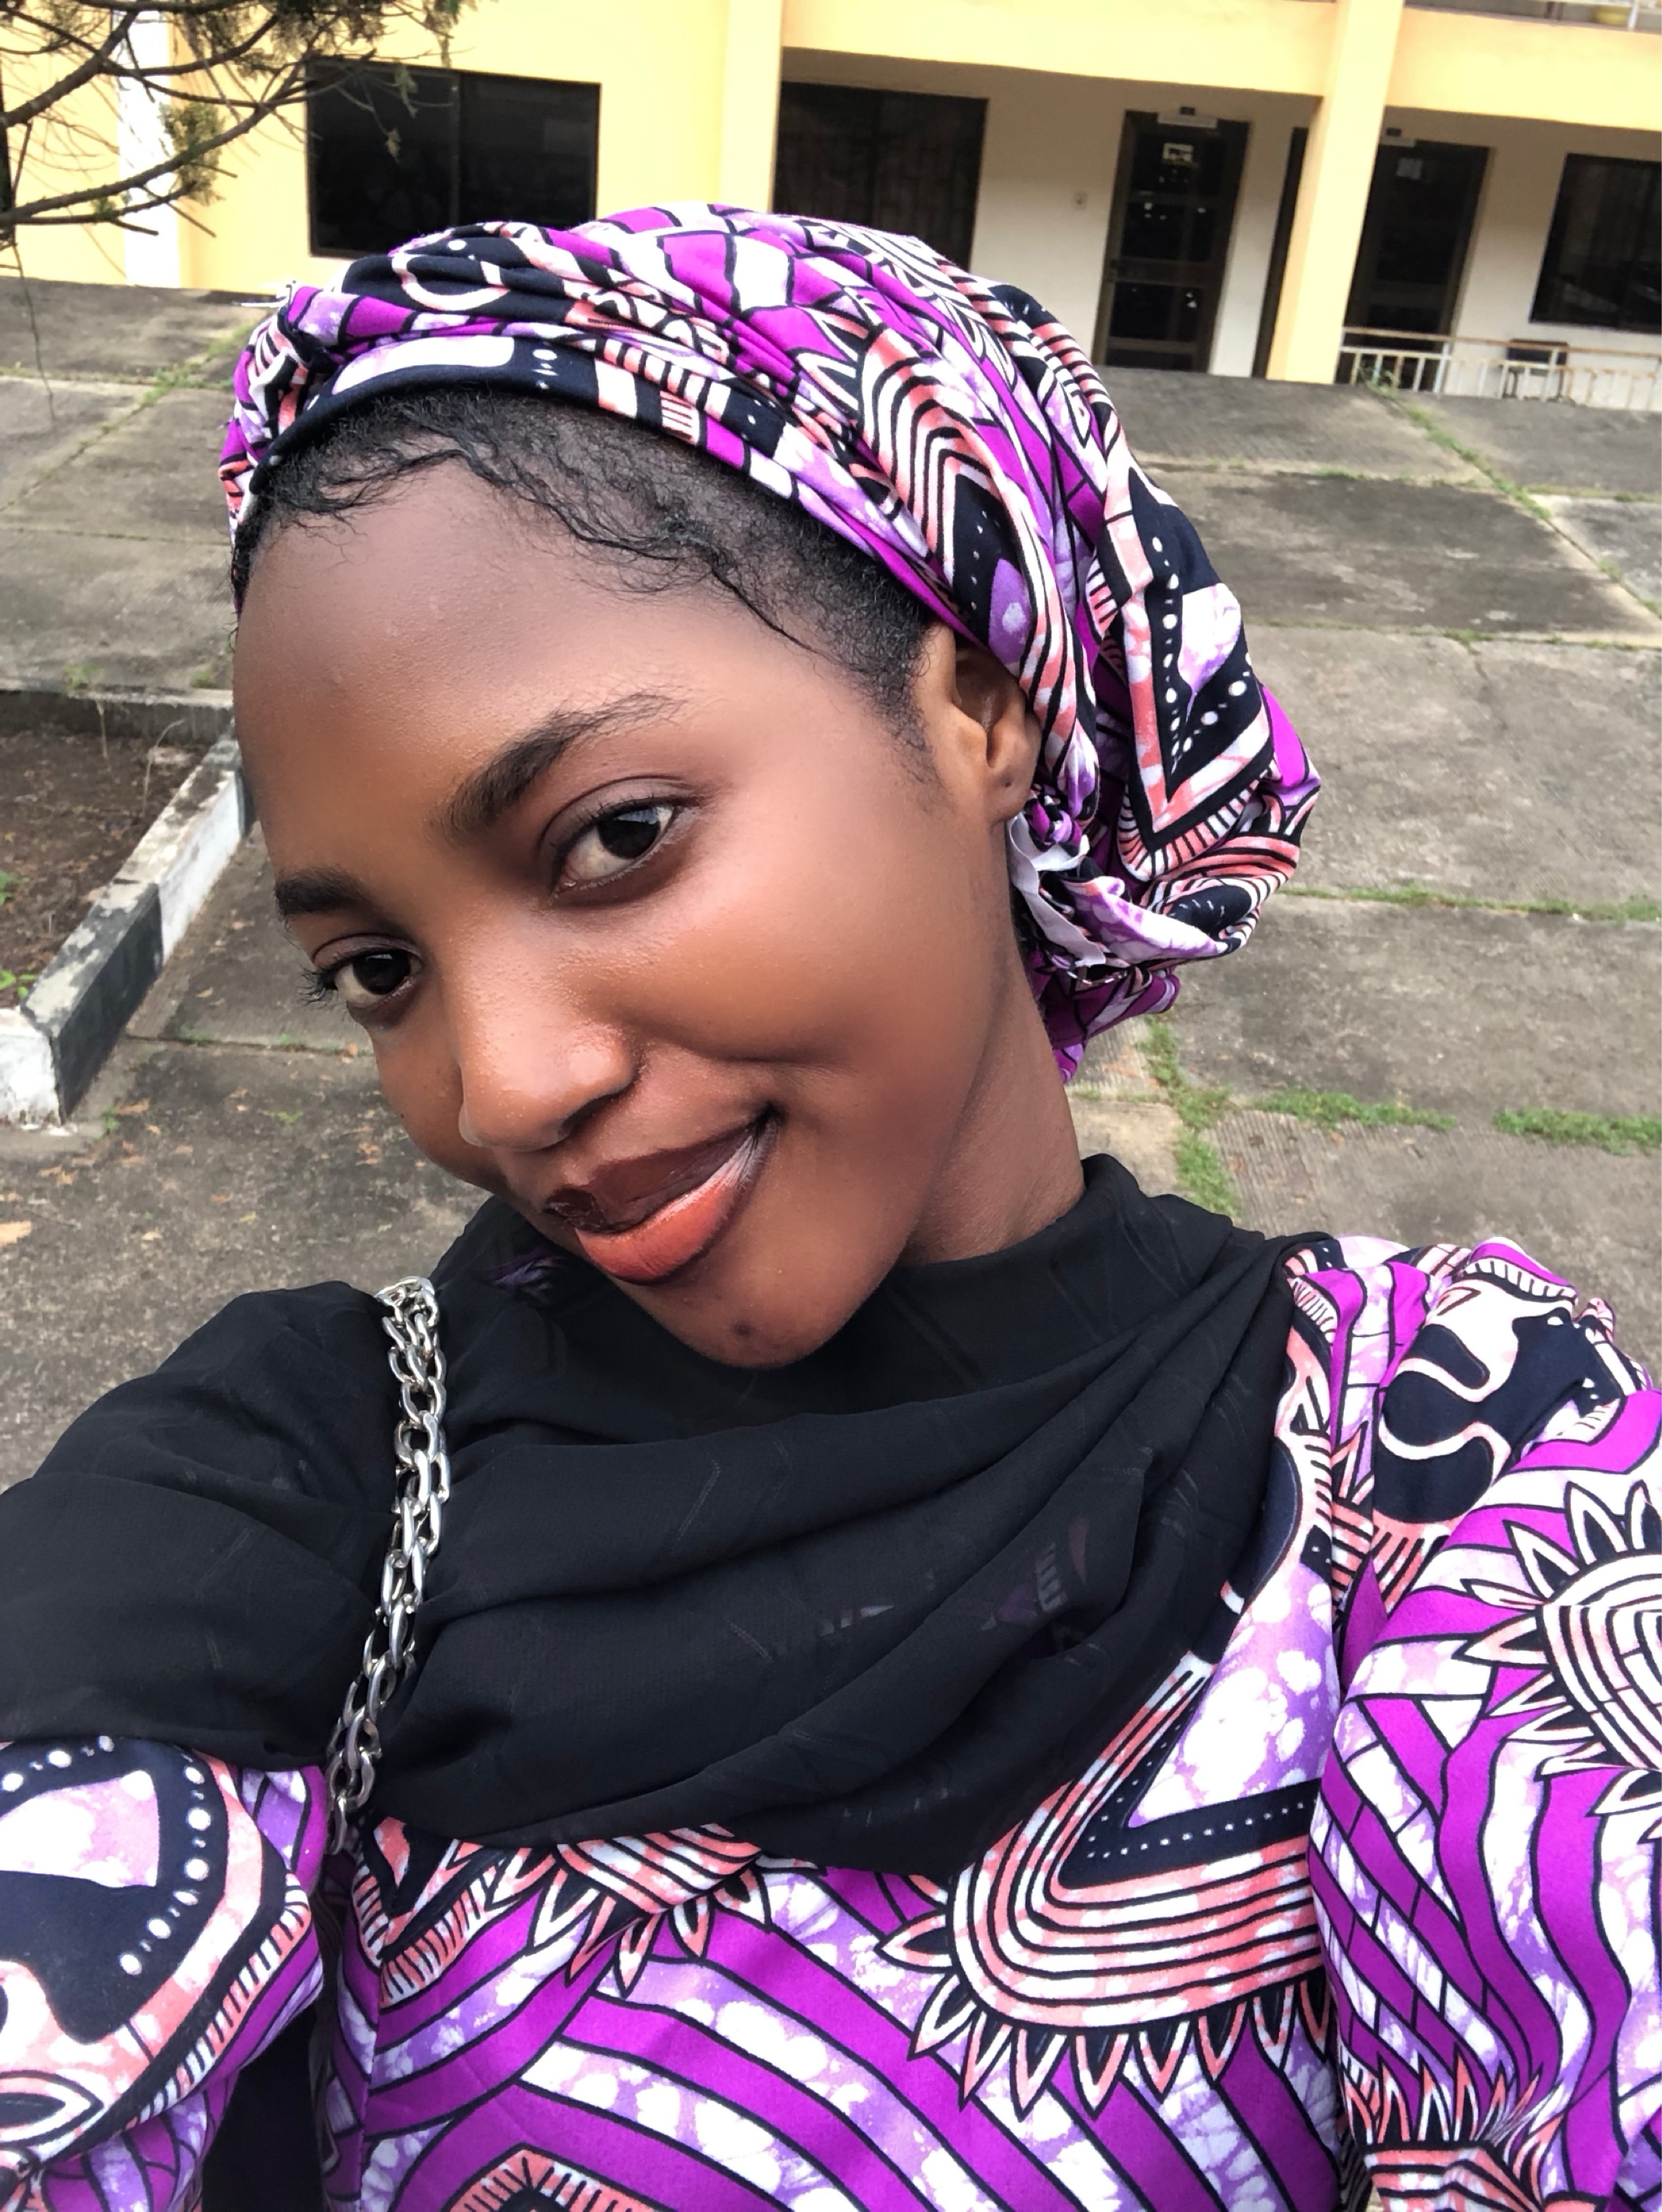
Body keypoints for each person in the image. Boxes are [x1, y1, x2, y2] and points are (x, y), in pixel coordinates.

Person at [0, 208, 1655, 2212]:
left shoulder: (1438, 1455)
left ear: (981, 713)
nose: (499, 1088)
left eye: (615, 837)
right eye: (379, 970)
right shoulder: (295, 1474)